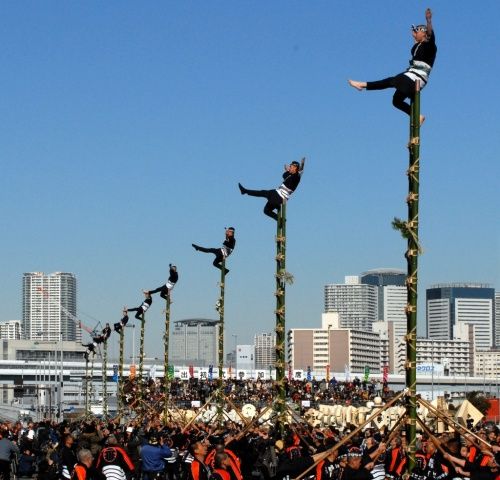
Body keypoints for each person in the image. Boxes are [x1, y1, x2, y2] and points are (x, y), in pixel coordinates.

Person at [348, 8, 436, 123]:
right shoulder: (417, 46)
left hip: (417, 77)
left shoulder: (430, 46)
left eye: (418, 30)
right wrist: (415, 35)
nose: (415, 33)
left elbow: (429, 34)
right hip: (411, 76)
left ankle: (363, 85)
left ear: (423, 32)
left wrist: (428, 20)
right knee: (396, 101)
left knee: (392, 80)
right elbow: (417, 42)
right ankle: (418, 116)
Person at [238, 159, 305, 221]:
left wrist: (298, 169)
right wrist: (288, 171)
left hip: (280, 196)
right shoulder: (290, 175)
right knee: (266, 210)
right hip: (277, 193)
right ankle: (279, 219)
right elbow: (284, 175)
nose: (289, 167)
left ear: (295, 167)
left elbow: (296, 174)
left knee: (263, 193)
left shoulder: (296, 177)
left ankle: (245, 191)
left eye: (291, 166)